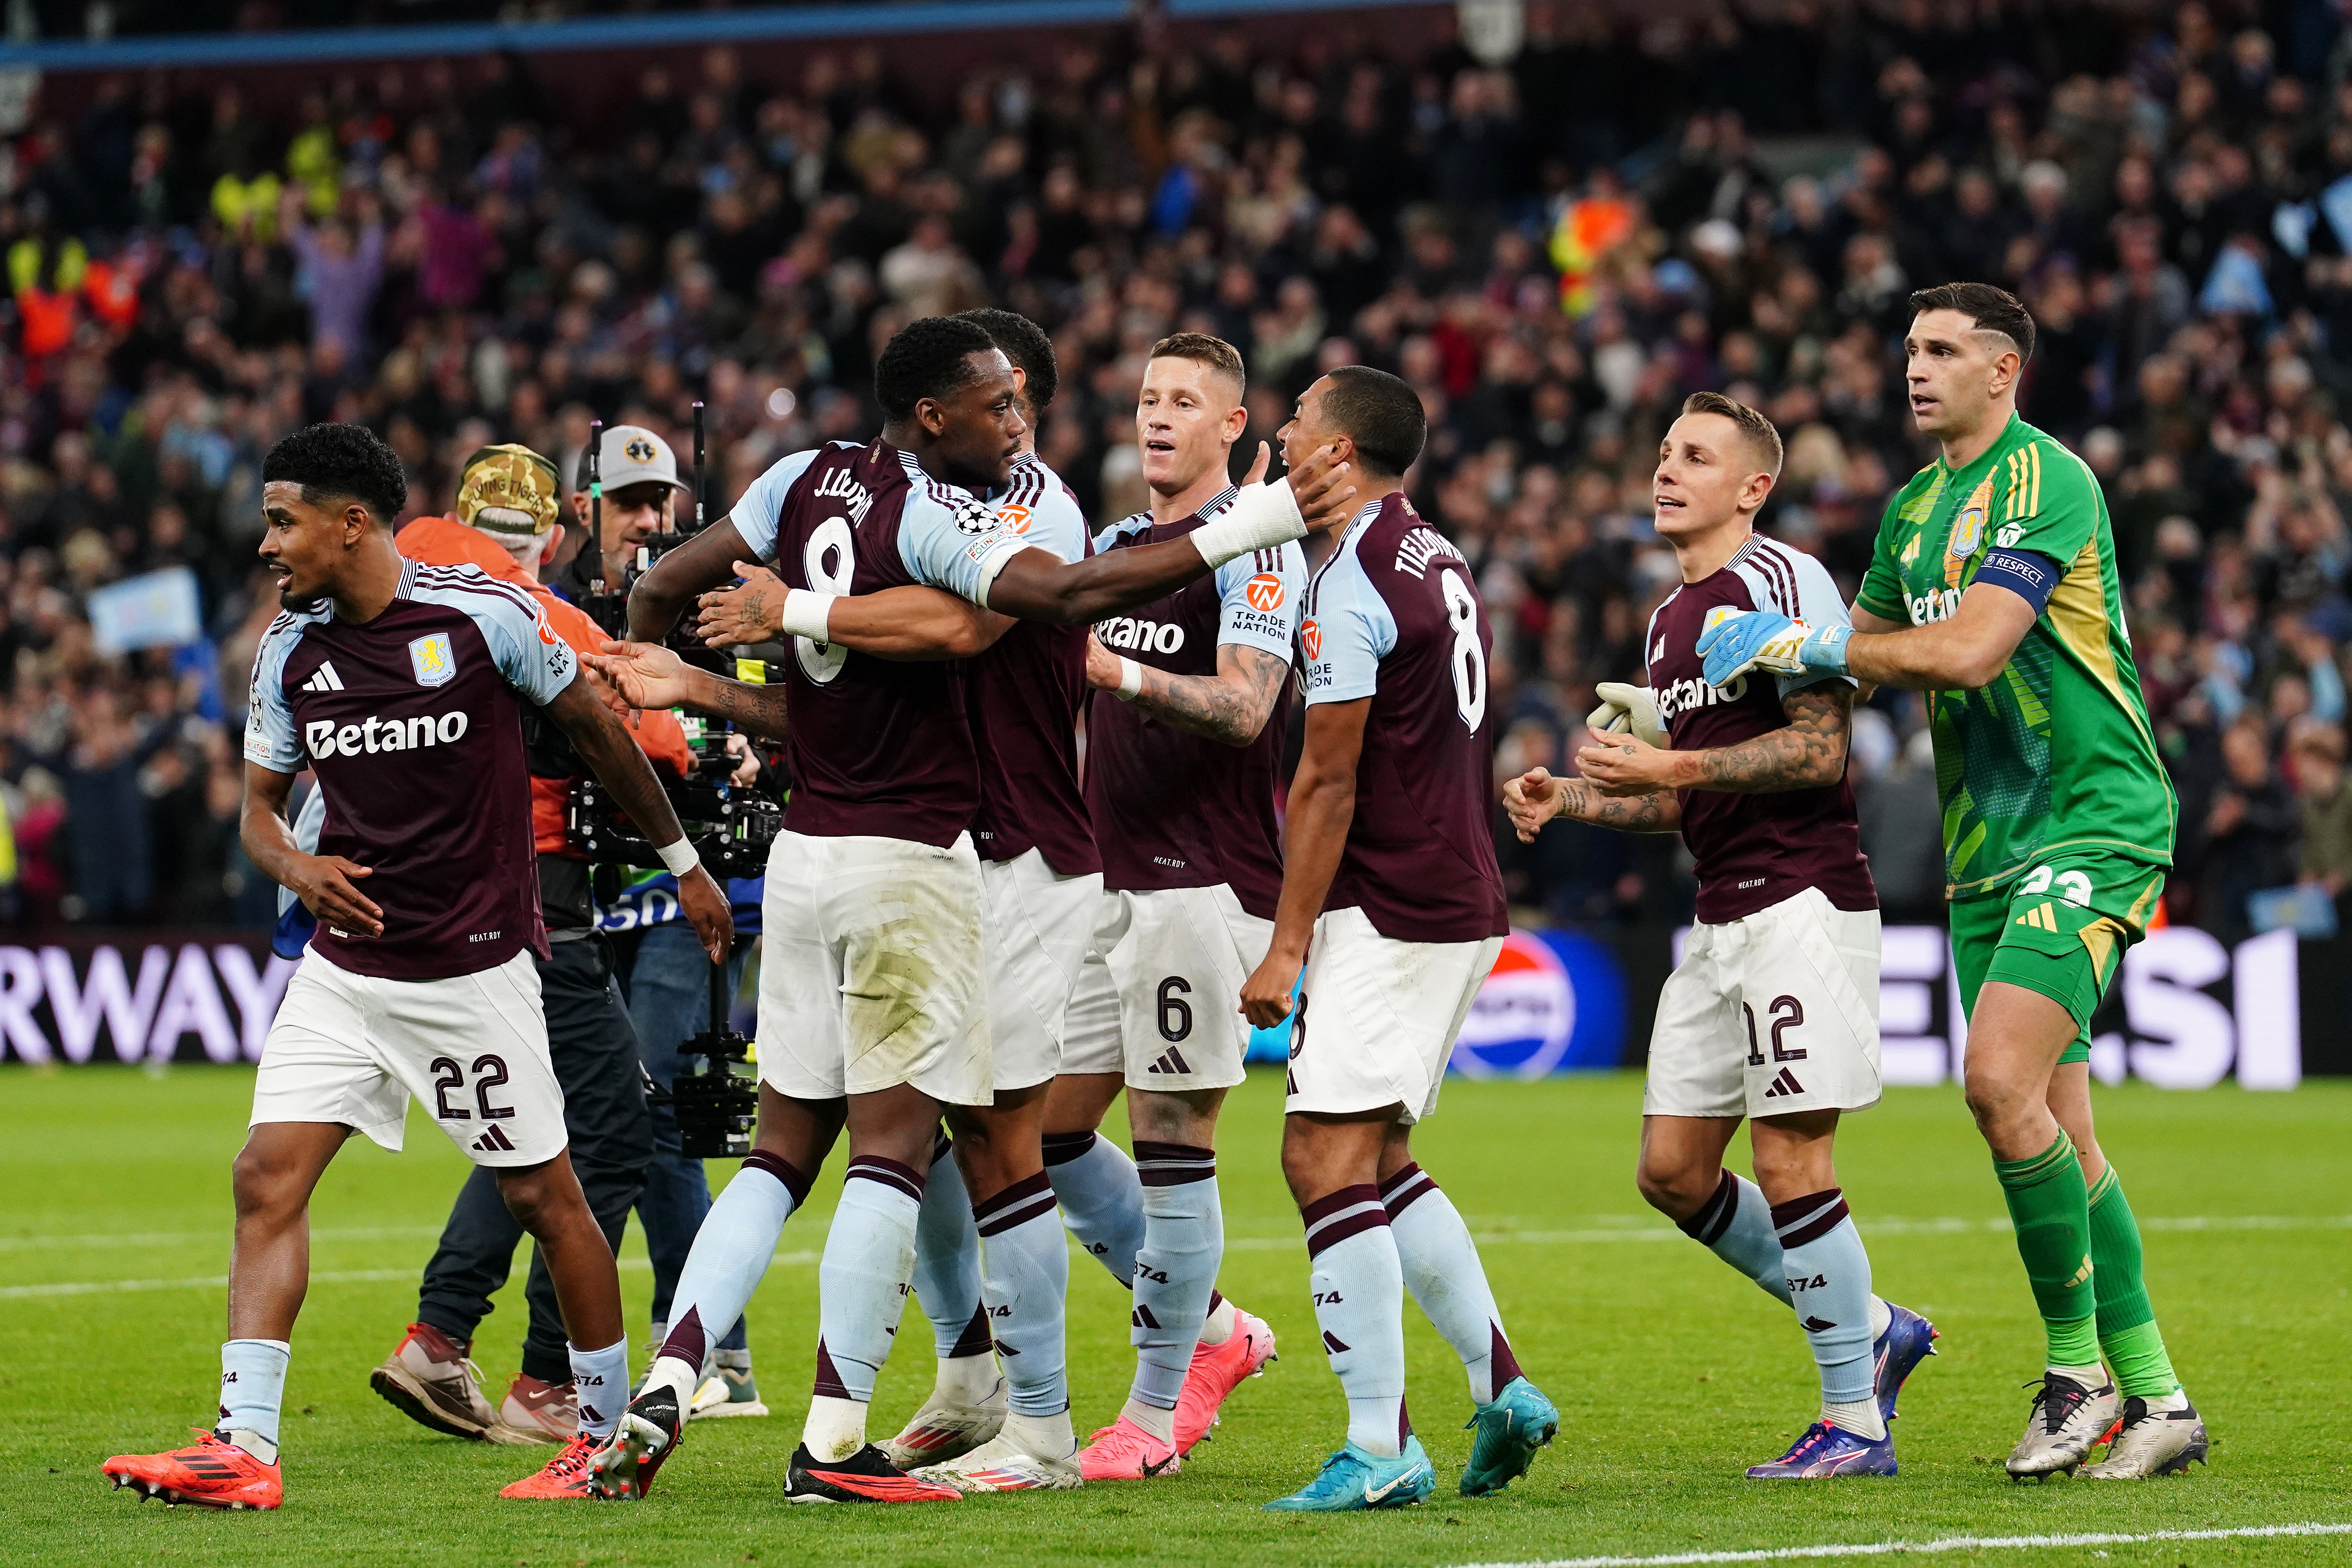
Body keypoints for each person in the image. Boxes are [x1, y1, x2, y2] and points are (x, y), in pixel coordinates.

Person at [587, 314, 1349, 1505]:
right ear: (935, 411)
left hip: (1033, 857)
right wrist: (687, 682)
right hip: (935, 858)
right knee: (952, 1142)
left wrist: (781, 615)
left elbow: (977, 622)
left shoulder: (1029, 508)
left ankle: (1064, 1411)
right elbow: (807, 676)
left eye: (1021, 405)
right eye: (994, 403)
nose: (1017, 424)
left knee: (999, 1138)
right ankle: (973, 1383)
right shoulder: (882, 499)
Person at [101, 423, 730, 1511]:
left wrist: (684, 863)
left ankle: (605, 1437)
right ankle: (246, 1445)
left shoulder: (484, 614)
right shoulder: (289, 649)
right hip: (347, 969)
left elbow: (597, 729)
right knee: (264, 1174)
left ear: (352, 523)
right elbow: (257, 815)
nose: (267, 544)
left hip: (472, 970)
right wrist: (300, 867)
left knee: (548, 1196)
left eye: (283, 519)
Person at [1700, 282, 2204, 1481]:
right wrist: (1701, 693)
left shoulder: (2048, 481)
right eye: (1908, 348)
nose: (1915, 367)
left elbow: (1970, 649)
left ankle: (2078, 1377)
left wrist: (1803, 643)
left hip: (2093, 819)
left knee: (1993, 1079)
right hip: (1990, 851)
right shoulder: (1915, 510)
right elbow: (1846, 671)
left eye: (1940, 350)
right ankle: (2161, 1399)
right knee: (2060, 1135)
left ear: (2003, 371)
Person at [1502, 391, 1938, 1479]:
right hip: (1720, 914)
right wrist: (1578, 801)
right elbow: (1688, 799)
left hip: (1802, 901)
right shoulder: (1666, 619)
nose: (1666, 470)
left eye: (1695, 457)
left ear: (1751, 486)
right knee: (1672, 1168)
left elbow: (1820, 751)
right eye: (1662, 452)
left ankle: (1853, 1419)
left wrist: (1668, 765)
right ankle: (1874, 1324)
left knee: (1790, 1155)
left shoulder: (1779, 580)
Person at [1237, 366, 1555, 1512]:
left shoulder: (1354, 574)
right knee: (1375, 1161)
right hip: (1454, 887)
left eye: (1297, 420)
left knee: (1318, 1160)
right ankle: (1501, 1382)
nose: (1278, 432)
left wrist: (1284, 946)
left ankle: (1380, 1446)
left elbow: (1326, 779)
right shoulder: (1429, 551)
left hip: (1392, 898)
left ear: (1340, 452)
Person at [364, 444, 702, 1448]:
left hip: (416, 891)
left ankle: (439, 1335)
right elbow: (644, 730)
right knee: (611, 1132)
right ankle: (549, 1376)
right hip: (528, 894)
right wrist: (700, 732)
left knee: (526, 1125)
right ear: (556, 533)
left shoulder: (397, 571)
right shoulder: (531, 607)